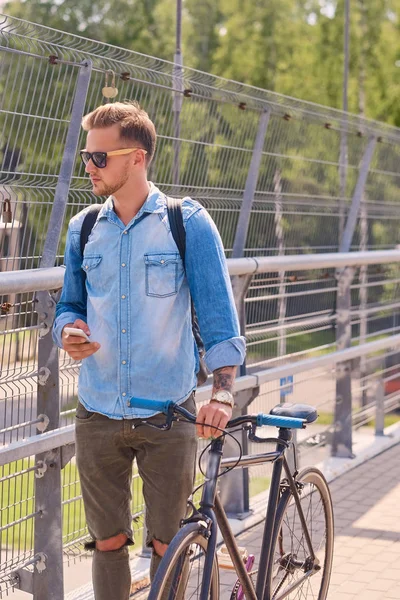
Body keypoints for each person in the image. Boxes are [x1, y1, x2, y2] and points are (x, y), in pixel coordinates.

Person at [52, 101, 246, 600]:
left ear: (136, 158)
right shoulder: (84, 228)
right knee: (108, 542)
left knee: (169, 545)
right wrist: (69, 330)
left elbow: (220, 320)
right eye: (86, 155)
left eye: (99, 157)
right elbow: (69, 304)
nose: (88, 167)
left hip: (168, 415)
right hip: (96, 412)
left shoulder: (188, 224)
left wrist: (222, 394)